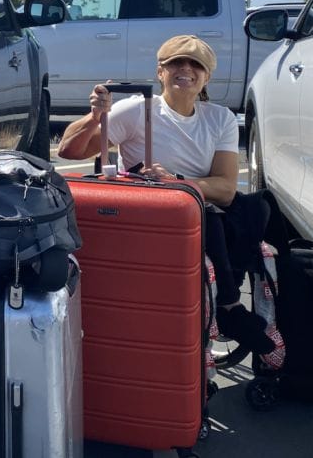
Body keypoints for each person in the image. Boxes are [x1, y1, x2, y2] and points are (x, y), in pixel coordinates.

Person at [58, 34, 283, 363]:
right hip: (145, 218)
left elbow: (225, 188)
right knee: (203, 216)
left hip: (199, 214)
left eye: (196, 65)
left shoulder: (219, 119)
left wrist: (178, 184)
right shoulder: (135, 110)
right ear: (160, 72)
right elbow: (69, 151)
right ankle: (230, 308)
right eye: (177, 62)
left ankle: (224, 316)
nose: (186, 69)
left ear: (206, 77)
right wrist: (95, 117)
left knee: (242, 211)